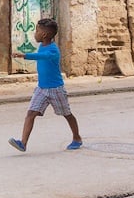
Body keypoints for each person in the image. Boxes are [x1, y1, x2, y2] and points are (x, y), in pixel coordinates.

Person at [8, 18, 82, 152]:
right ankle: (23, 143)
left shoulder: (53, 50)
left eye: (37, 31)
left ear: (44, 35)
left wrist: (24, 55)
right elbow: (41, 55)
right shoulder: (42, 45)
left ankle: (77, 138)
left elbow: (43, 56)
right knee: (31, 113)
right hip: (41, 89)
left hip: (56, 89)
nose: (35, 33)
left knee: (67, 114)